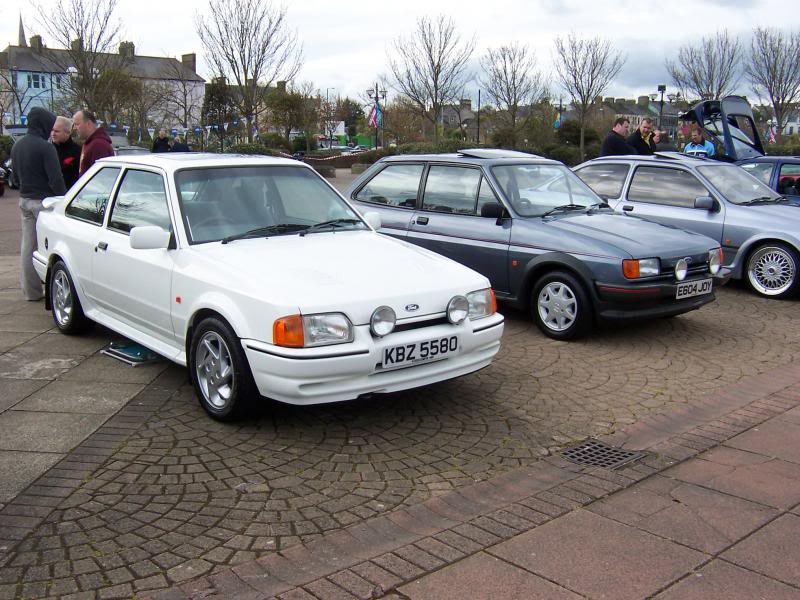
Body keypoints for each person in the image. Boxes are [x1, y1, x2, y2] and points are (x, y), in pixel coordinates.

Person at [10, 107, 66, 301]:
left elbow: (14, 178)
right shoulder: (46, 147)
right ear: (43, 125)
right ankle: (55, 287)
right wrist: (63, 199)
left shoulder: (17, 146)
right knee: (54, 247)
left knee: (28, 245)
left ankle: (31, 291)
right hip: (43, 203)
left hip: (24, 200)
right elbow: (56, 179)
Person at [73, 110, 114, 175]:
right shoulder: (90, 143)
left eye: (77, 124)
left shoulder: (99, 145)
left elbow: (101, 177)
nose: (74, 128)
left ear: (88, 124)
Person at [50, 116, 82, 189]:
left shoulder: (77, 151)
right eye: (52, 130)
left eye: (57, 131)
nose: (53, 134)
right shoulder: (48, 150)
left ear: (68, 132)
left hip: (70, 194)